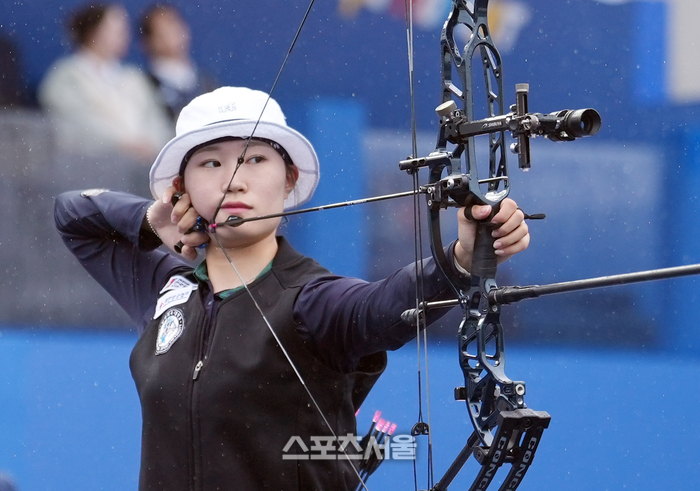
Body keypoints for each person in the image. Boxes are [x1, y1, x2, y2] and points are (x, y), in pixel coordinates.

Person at [54, 86, 530, 490]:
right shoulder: (167, 291)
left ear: (289, 180)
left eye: (255, 159)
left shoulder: (312, 301)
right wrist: (149, 220)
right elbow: (72, 215)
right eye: (211, 164)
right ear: (182, 188)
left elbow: (384, 305)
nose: (233, 180)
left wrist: (461, 259)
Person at [38, 3, 172, 163]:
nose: (124, 36)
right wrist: (120, 144)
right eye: (116, 30)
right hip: (89, 165)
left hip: (142, 166)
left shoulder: (134, 78)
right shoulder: (65, 77)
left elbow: (155, 120)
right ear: (93, 32)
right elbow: (75, 123)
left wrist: (150, 145)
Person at [139, 3, 217, 122]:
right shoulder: (143, 88)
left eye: (175, 23)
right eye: (165, 29)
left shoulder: (206, 83)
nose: (175, 31)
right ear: (149, 41)